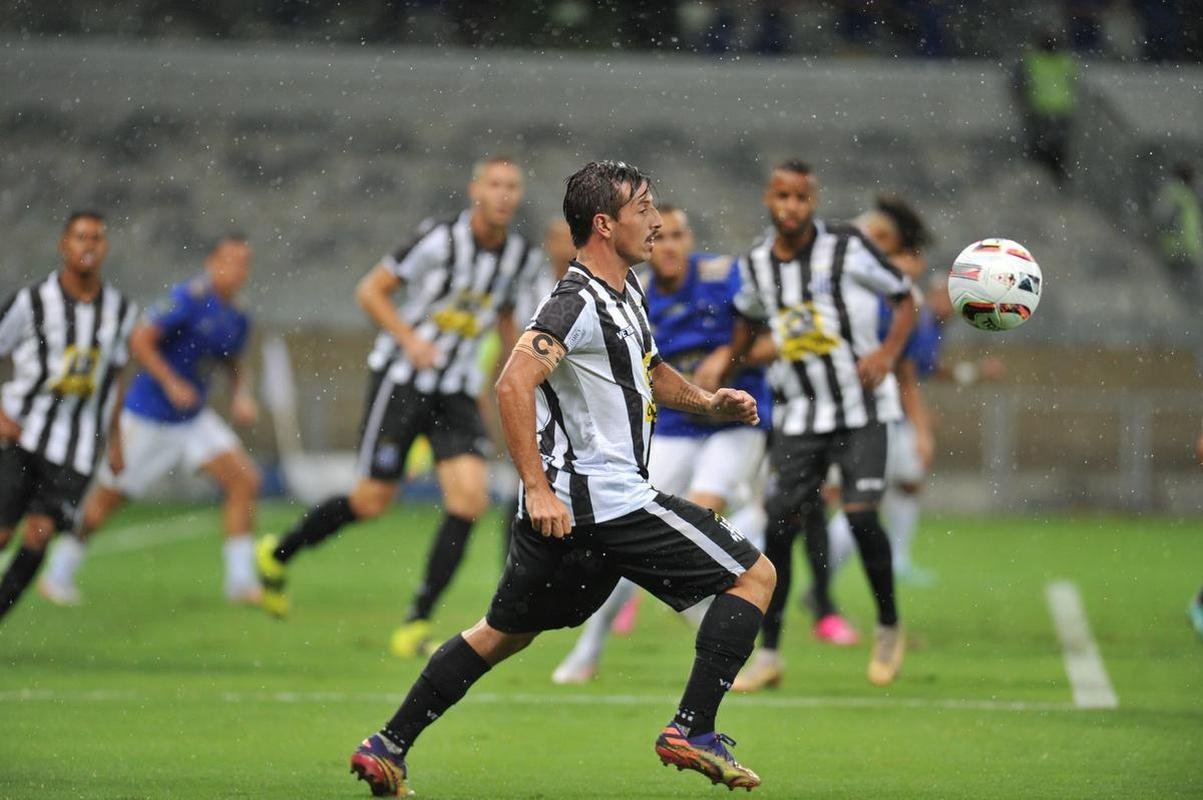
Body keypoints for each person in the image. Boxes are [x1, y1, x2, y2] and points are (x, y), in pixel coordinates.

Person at [347, 161, 776, 797]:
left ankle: (387, 746)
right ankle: (694, 728)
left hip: (569, 515)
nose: (657, 222)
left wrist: (709, 402)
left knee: (502, 635)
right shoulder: (573, 301)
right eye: (645, 209)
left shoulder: (627, 292)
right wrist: (538, 485)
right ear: (605, 224)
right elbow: (512, 382)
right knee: (753, 575)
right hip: (607, 500)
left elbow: (651, 371)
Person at [256, 156, 543, 661]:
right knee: (372, 500)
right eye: (494, 184)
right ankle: (278, 553)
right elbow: (371, 291)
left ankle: (416, 622)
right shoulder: (439, 239)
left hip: (453, 389)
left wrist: (512, 372)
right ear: (475, 188)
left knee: (470, 499)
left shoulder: (518, 256)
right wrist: (409, 340)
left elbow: (503, 320)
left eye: (512, 186)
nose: (503, 194)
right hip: (402, 380)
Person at [550, 204, 774, 684]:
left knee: (693, 515)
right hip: (673, 427)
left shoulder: (725, 277)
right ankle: (590, 649)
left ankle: (722, 651)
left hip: (734, 426)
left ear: (690, 240)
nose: (669, 246)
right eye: (662, 236)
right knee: (632, 531)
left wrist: (727, 357)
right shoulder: (635, 292)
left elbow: (773, 340)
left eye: (678, 236)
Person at [724, 160, 917, 691]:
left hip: (864, 409)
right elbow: (746, 315)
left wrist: (887, 352)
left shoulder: (847, 246)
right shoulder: (758, 263)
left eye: (801, 198)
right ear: (769, 198)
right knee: (779, 529)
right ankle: (769, 653)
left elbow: (905, 298)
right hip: (801, 415)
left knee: (858, 516)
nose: (791, 207)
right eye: (782, 196)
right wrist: (729, 360)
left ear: (814, 201)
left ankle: (887, 623)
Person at [39, 235, 262, 605]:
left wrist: (242, 393)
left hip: (191, 419)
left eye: (244, 263)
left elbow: (233, 360)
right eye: (230, 260)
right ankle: (58, 572)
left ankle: (240, 582)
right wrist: (171, 382)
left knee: (244, 482)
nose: (237, 270)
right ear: (212, 262)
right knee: (108, 499)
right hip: (149, 417)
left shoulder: (236, 314)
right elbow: (140, 339)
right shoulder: (188, 299)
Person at [0, 211, 138, 623]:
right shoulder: (32, 301)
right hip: (22, 432)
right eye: (80, 237)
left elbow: (112, 379)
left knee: (40, 534)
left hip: (75, 447)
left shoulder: (120, 311)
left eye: (97, 237)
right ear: (64, 246)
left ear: (105, 248)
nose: (89, 245)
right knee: (3, 533)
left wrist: (115, 441)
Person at [1012, 32, 1077, 186]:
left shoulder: (1032, 60)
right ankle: (1057, 179)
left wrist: (1022, 101)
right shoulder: (1065, 60)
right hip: (1060, 109)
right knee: (1057, 148)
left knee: (1041, 146)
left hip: (1041, 108)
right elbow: (1073, 81)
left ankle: (1045, 178)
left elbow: (1020, 83)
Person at [1153, 161, 1202, 305]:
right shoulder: (1175, 195)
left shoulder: (1182, 194)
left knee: (1186, 294)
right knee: (1187, 294)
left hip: (1185, 251)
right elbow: (1162, 221)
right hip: (1180, 251)